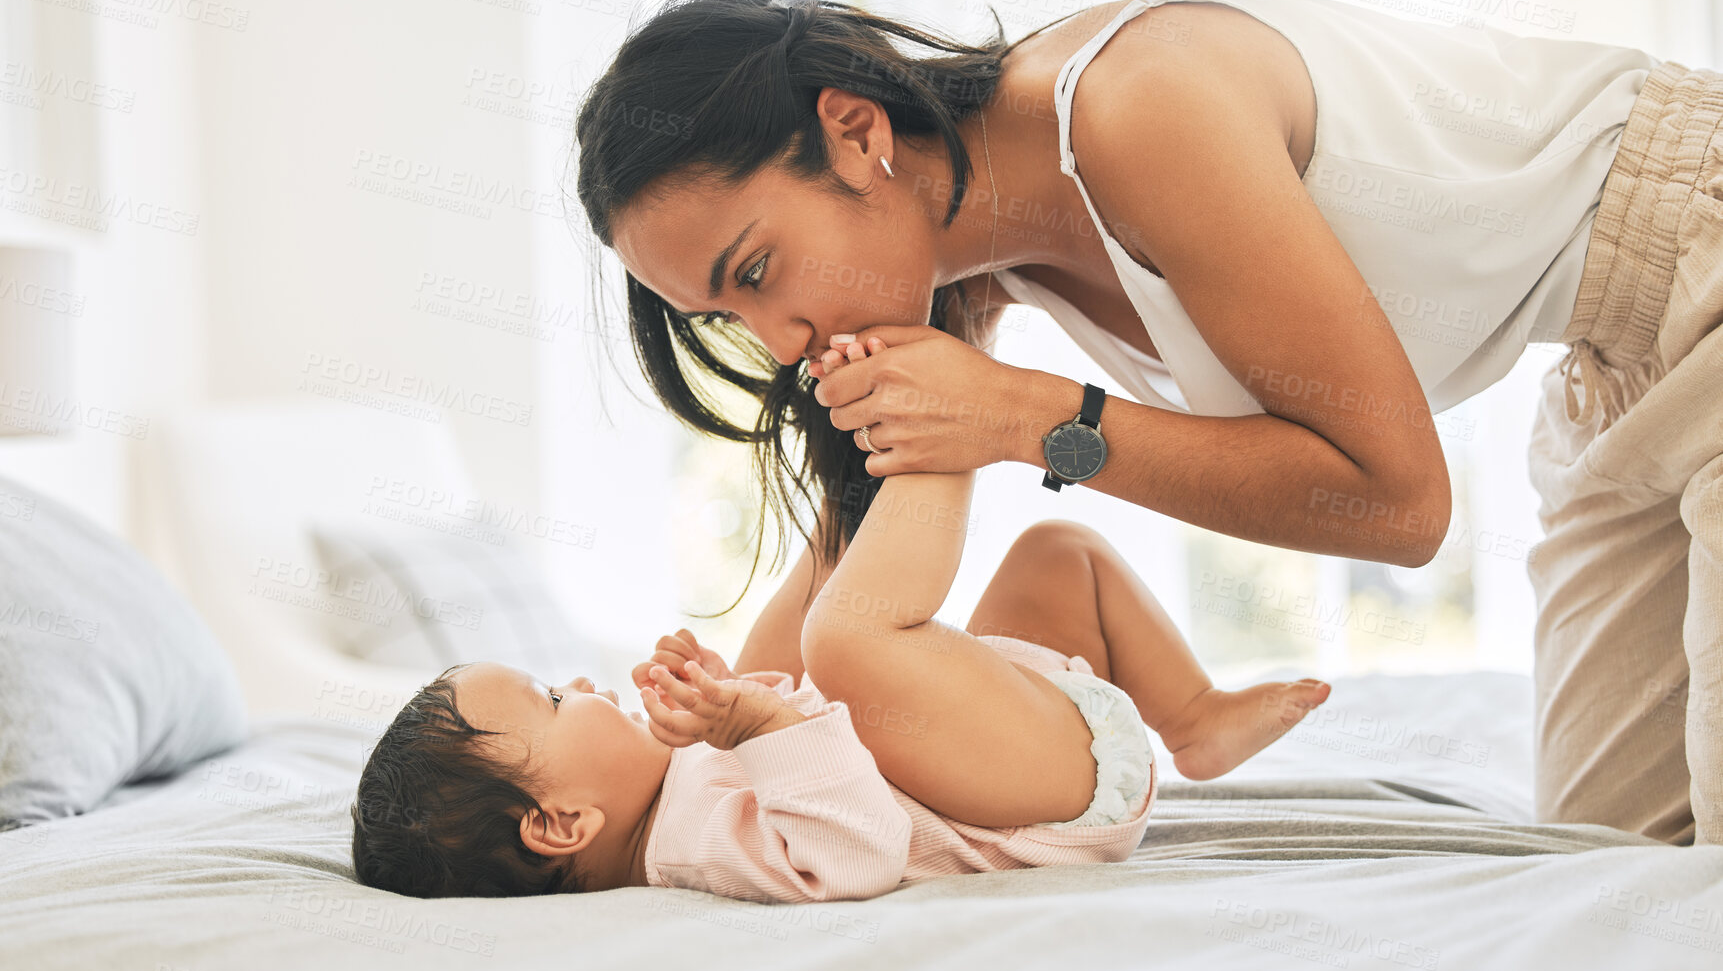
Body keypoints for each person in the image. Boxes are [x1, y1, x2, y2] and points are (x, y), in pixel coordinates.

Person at [572, 0, 1723, 847]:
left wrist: (1029, 417)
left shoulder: (1132, 110)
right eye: (726, 316)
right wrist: (724, 736)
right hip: (1612, 376)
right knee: (1619, 871)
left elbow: (1404, 508)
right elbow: (845, 558)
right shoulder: (959, 267)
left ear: (857, 132)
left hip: (1703, 241)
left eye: (759, 269)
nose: (776, 343)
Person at [349, 337, 1330, 900]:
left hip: (1030, 726)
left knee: (1051, 557)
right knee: (844, 646)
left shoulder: (675, 790)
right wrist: (750, 721)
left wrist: (733, 694)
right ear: (562, 823)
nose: (586, 684)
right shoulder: (691, 848)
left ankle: (1192, 716)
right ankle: (948, 418)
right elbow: (852, 847)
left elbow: (788, 694)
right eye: (557, 701)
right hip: (1038, 797)